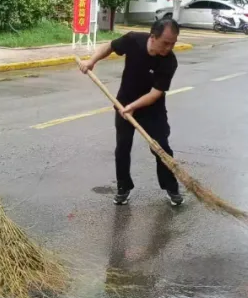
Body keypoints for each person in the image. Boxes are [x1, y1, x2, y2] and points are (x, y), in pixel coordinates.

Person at [78, 19, 182, 207]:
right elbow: (109, 46)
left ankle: (171, 186)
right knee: (123, 147)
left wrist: (134, 106)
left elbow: (155, 93)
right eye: (166, 43)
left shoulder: (170, 61)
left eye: (173, 43)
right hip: (123, 103)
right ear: (153, 37)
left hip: (152, 108)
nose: (169, 47)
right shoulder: (134, 40)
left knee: (161, 147)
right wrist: (91, 61)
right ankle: (123, 187)